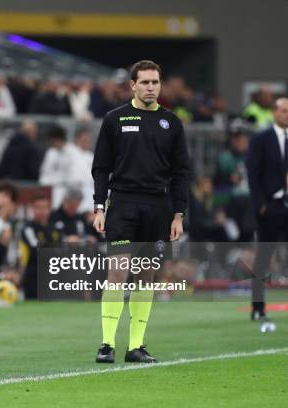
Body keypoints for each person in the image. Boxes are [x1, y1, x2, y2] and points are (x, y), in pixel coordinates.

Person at [91, 60, 190, 364]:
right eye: (144, 82)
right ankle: (107, 343)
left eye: (155, 83)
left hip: (157, 207)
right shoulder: (115, 119)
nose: (150, 87)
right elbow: (101, 167)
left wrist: (178, 214)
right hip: (122, 204)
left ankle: (136, 346)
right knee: (118, 271)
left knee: (146, 274)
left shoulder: (171, 123)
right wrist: (98, 206)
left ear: (160, 86)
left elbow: (181, 173)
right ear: (132, 85)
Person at [246, 97, 288, 326]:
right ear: (274, 113)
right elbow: (253, 174)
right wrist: (260, 205)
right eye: (283, 111)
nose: (286, 115)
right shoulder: (261, 140)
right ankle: (258, 307)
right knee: (263, 258)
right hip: (270, 207)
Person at [19, 194, 60, 299]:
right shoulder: (28, 228)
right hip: (34, 275)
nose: (41, 211)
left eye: (44, 207)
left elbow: (63, 248)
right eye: (38, 207)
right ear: (32, 209)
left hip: (55, 273)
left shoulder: (55, 227)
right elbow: (35, 250)